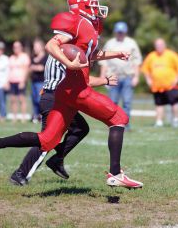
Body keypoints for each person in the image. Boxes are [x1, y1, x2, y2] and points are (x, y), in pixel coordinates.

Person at [0, 0, 143, 189]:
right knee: (119, 118)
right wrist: (69, 63)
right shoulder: (76, 22)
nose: (98, 7)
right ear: (83, 4)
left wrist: (116, 55)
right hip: (75, 90)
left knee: (47, 140)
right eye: (94, 3)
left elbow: (90, 55)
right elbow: (51, 45)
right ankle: (116, 173)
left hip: (65, 91)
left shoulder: (89, 27)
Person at [10, 55, 118, 186]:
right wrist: (105, 80)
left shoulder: (58, 50)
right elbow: (85, 81)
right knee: (47, 140)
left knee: (80, 128)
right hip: (55, 99)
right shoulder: (65, 52)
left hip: (57, 98)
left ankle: (57, 159)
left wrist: (116, 54)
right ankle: (20, 174)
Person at [99, 21, 142, 130]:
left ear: (125, 32)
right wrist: (102, 77)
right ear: (115, 32)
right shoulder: (110, 43)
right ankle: (113, 124)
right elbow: (103, 61)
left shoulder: (131, 43)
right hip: (113, 77)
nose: (120, 34)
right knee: (112, 103)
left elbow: (137, 61)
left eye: (122, 32)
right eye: (118, 32)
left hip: (127, 77)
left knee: (127, 102)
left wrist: (136, 76)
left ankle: (125, 125)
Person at [141, 38, 178, 128]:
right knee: (159, 104)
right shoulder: (151, 56)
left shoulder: (171, 54)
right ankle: (159, 122)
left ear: (164, 45)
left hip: (170, 85)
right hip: (157, 86)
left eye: (161, 45)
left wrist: (177, 79)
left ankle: (176, 120)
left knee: (174, 103)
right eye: (157, 45)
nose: (159, 47)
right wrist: (148, 80)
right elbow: (145, 69)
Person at [8, 41, 31, 122]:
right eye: (14, 47)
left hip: (20, 81)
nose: (16, 49)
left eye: (17, 47)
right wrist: (8, 81)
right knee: (13, 100)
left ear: (21, 47)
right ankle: (14, 118)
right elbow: (9, 70)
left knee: (22, 100)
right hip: (12, 81)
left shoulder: (24, 57)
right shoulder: (11, 57)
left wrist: (23, 81)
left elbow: (26, 70)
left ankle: (23, 118)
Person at [30, 39, 48, 123]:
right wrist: (36, 67)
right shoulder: (33, 57)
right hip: (33, 82)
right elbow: (30, 67)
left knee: (39, 100)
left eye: (36, 46)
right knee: (34, 99)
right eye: (34, 46)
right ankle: (35, 116)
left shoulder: (45, 57)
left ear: (41, 47)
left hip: (41, 82)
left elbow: (42, 68)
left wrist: (35, 67)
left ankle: (42, 116)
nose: (35, 48)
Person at [0, 42, 9, 122]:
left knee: (2, 101)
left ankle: (3, 115)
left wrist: (6, 82)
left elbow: (8, 72)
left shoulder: (5, 59)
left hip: (2, 84)